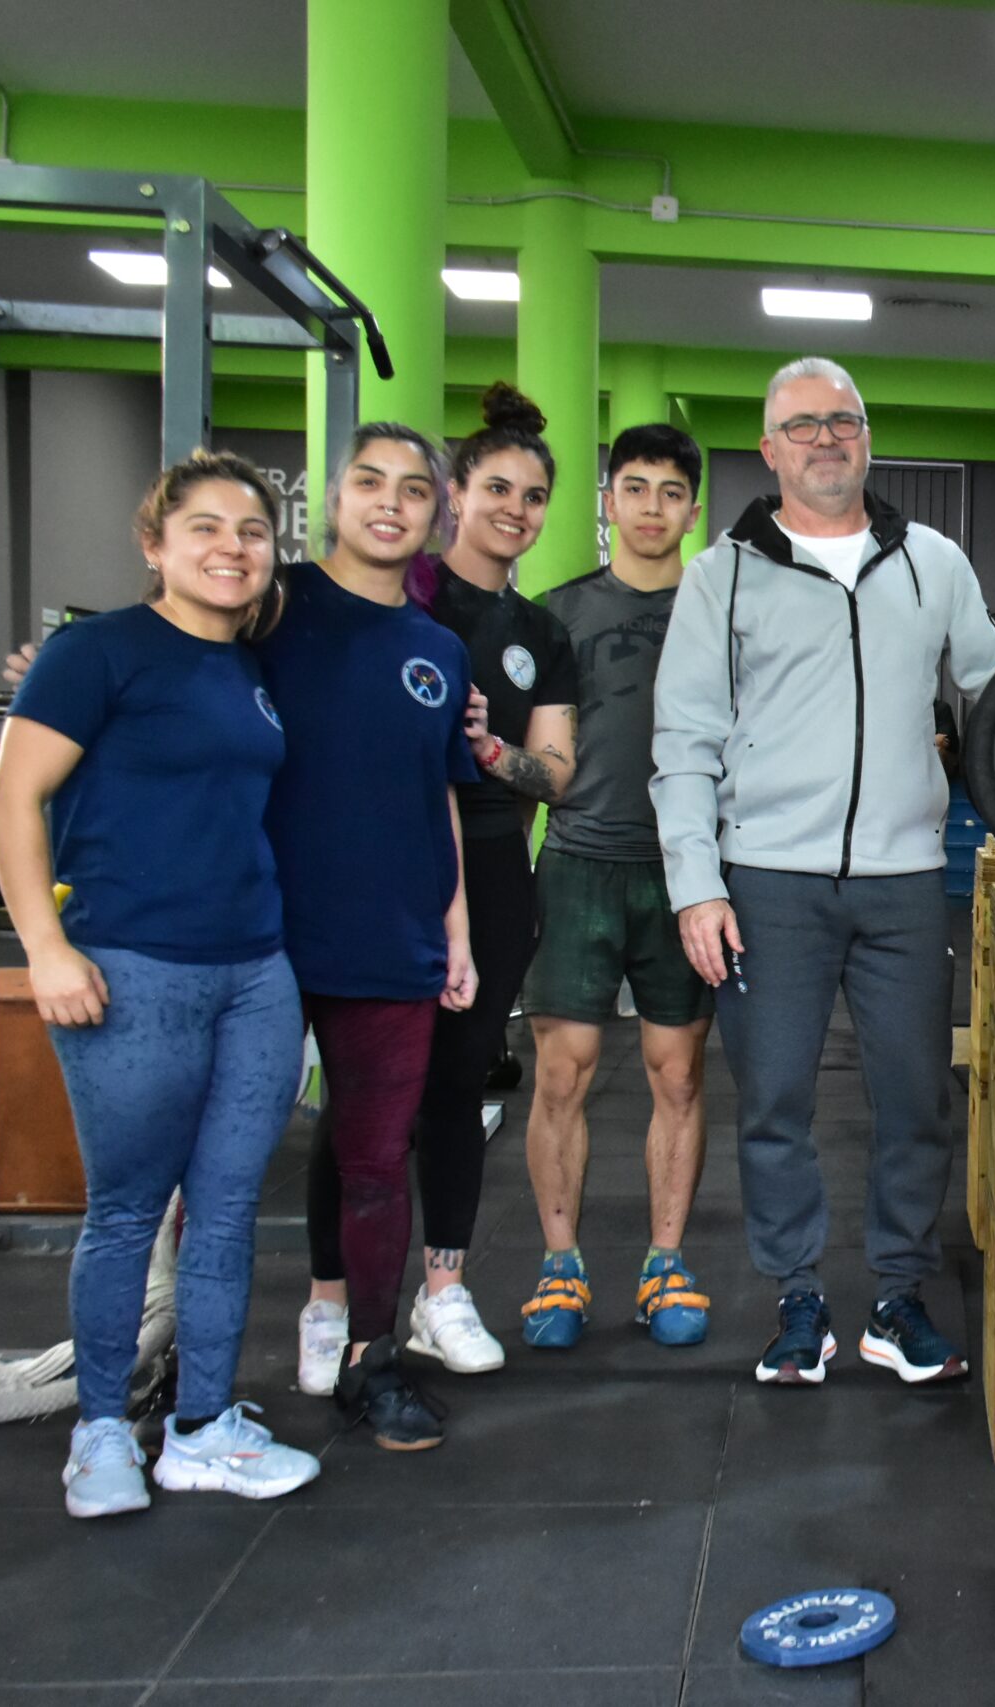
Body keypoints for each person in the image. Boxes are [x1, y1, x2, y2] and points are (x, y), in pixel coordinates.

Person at [653, 356, 995, 1388]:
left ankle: (897, 1300)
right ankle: (797, 1297)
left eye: (842, 421)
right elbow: (684, 737)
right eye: (801, 425)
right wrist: (696, 883)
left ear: (867, 438)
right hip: (765, 878)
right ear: (768, 451)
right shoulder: (721, 575)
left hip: (905, 878)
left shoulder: (933, 562)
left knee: (914, 1099)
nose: (824, 438)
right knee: (774, 1101)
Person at [0, 452, 320, 1516]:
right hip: (129, 964)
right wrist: (44, 946)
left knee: (223, 1213)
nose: (232, 546)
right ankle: (99, 1434)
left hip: (256, 974)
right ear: (155, 544)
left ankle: (203, 1426)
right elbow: (12, 796)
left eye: (252, 532)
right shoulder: (98, 652)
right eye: (207, 527)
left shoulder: (253, 672)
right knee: (129, 1211)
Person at [281, 424, 482, 1447]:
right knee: (215, 1173)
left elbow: (437, 796)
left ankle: (373, 1358)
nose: (391, 502)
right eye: (370, 482)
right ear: (333, 497)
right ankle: (174, 1385)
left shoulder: (438, 651)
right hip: (256, 937)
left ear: (437, 517)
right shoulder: (266, 608)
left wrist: (456, 931)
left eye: (414, 489)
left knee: (374, 1155)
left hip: (391, 935)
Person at [374, 381, 580, 1377]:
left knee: (457, 1083)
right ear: (454, 492)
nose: (514, 509)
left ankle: (441, 1292)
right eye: (496, 487)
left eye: (533, 496)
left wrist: (493, 752)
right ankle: (337, 1305)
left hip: (495, 867)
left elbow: (557, 774)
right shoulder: (397, 595)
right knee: (371, 1092)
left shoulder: (539, 634)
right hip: (383, 864)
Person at [518, 422, 715, 1350]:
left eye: (670, 492)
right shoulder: (554, 613)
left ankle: (664, 1263)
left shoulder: (720, 609)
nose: (650, 508)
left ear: (692, 507)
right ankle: (561, 1267)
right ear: (607, 500)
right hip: (580, 862)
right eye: (633, 488)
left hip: (687, 872)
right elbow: (532, 761)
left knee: (677, 1072)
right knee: (564, 1071)